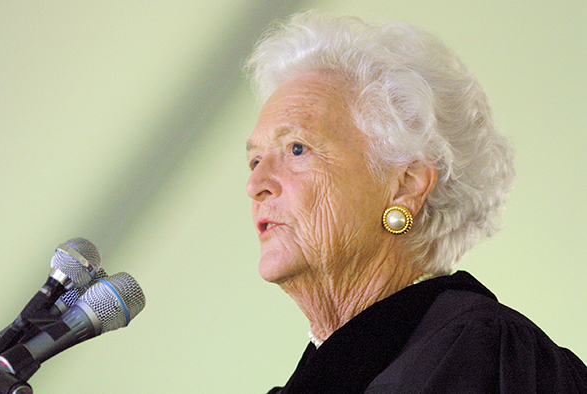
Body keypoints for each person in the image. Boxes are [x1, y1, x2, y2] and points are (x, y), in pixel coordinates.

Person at [244, 10, 587, 394]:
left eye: (296, 149)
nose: (255, 184)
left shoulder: (479, 353)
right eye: (255, 160)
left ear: (405, 185)